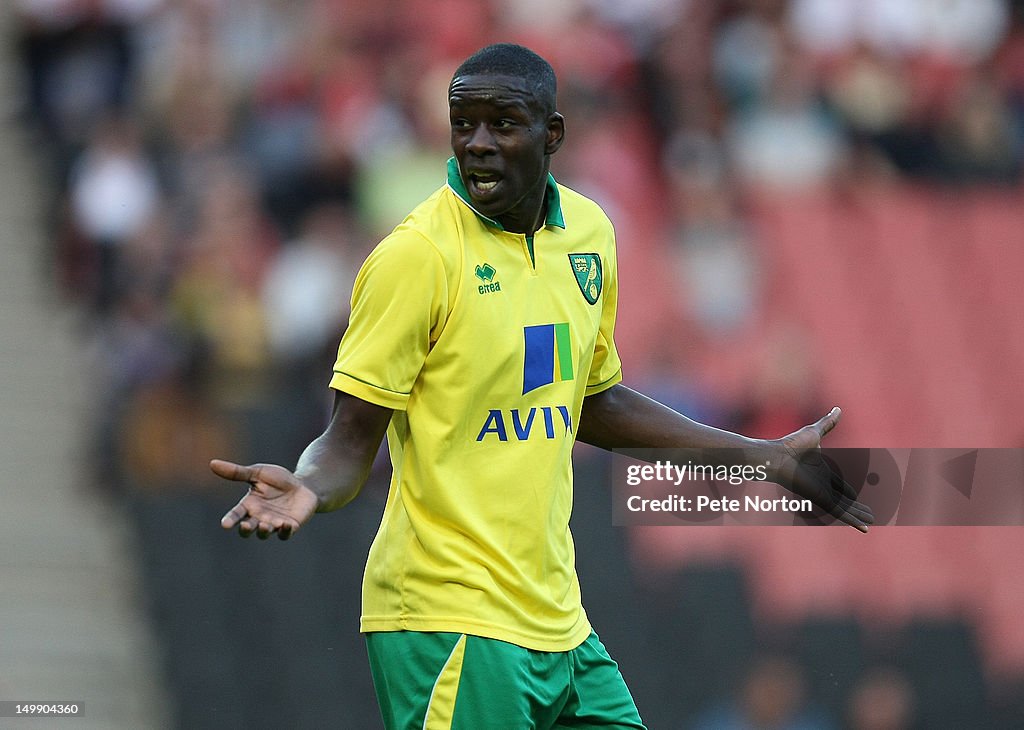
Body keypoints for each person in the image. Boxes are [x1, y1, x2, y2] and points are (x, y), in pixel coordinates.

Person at [211, 43, 873, 729]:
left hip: (558, 621)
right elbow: (348, 444)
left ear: (551, 134)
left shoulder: (589, 234)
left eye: (503, 124)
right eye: (463, 123)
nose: (479, 144)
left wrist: (759, 456)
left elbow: (593, 402)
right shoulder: (416, 257)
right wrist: (308, 485)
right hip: (447, 618)